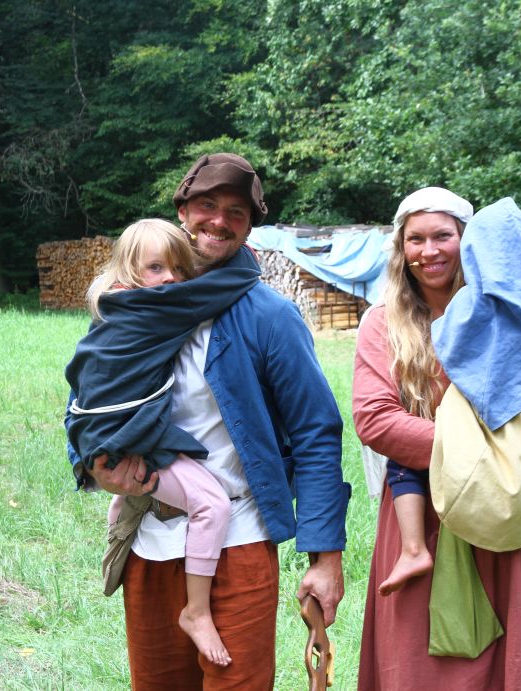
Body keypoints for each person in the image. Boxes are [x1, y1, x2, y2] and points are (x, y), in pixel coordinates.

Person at [66, 153, 349, 690]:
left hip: (237, 539)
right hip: (151, 542)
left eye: (236, 212)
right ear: (183, 211)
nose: (219, 220)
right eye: (208, 205)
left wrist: (326, 556)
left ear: (249, 226)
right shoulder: (135, 304)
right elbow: (87, 395)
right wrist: (92, 464)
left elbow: (316, 434)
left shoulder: (269, 317)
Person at [353, 186, 521, 688]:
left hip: (518, 505)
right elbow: (375, 419)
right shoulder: (382, 324)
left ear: (468, 241)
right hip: (425, 512)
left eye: (442, 236)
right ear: (401, 248)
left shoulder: (518, 311)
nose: (428, 251)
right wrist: (476, 459)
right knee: (425, 668)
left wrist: (505, 467)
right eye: (415, 239)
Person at [67, 218, 239, 666]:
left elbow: (80, 386)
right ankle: (196, 611)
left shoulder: (112, 308)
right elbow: (236, 280)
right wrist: (242, 254)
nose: (171, 280)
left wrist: (86, 455)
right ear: (128, 272)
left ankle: (122, 512)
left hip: (103, 435)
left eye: (180, 269)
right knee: (212, 505)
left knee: (142, 482)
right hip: (127, 440)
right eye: (157, 268)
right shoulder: (153, 308)